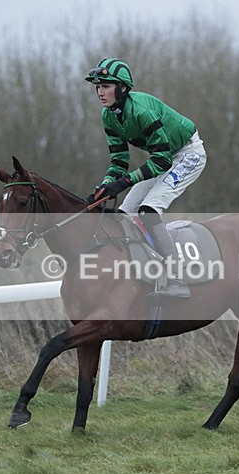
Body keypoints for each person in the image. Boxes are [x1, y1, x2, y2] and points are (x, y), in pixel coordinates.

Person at [85, 58, 207, 299]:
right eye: (98, 87)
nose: (100, 92)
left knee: (148, 211)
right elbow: (119, 161)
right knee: (122, 216)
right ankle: (138, 274)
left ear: (122, 88)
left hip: (187, 155)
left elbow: (162, 162)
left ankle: (176, 278)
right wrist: (106, 185)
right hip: (164, 156)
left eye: (106, 86)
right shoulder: (108, 116)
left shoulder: (141, 110)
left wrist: (124, 182)